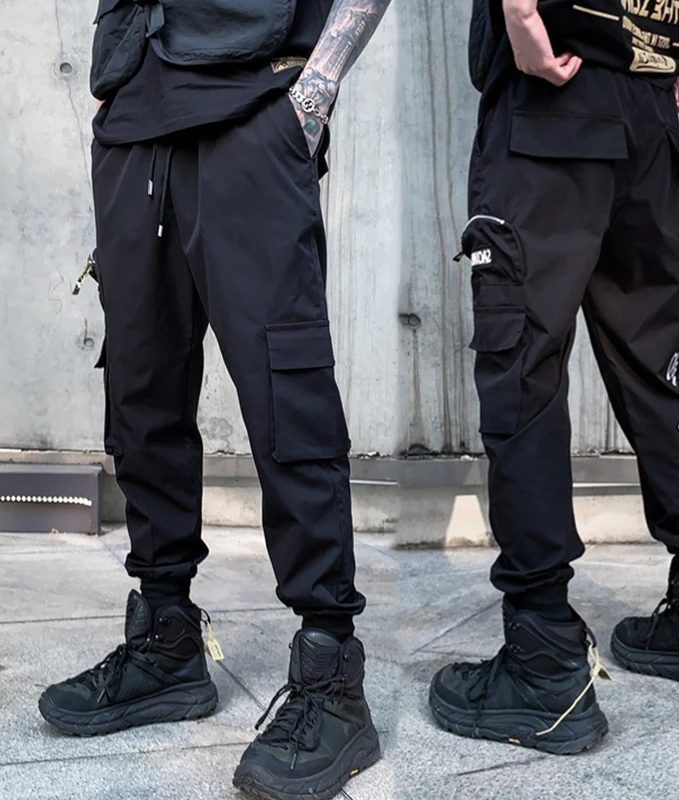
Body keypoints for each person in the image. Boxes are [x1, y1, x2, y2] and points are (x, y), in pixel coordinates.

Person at [38, 1, 391, 797]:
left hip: (254, 102)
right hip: (135, 114)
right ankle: (166, 642)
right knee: (140, 388)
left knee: (284, 390)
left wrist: (315, 91)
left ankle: (332, 678)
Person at [429, 0, 679, 755]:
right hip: (648, 117)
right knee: (655, 366)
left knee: (523, 369)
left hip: (553, 102)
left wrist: (522, 17)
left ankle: (544, 659)